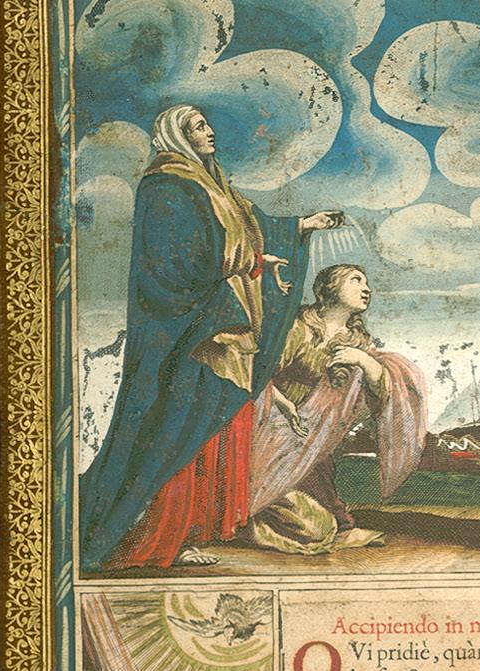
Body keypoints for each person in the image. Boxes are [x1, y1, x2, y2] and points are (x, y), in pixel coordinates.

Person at [81, 103, 345, 569]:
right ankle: (153, 539)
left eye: (206, 125)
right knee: (182, 433)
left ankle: (188, 533)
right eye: (198, 126)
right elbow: (177, 263)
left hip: (223, 332)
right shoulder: (166, 187)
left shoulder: (214, 184)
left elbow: (251, 231)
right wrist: (248, 263)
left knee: (212, 433)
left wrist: (301, 227)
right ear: (178, 136)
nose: (209, 132)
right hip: (192, 336)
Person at [243, 264, 426, 554]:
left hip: (310, 450)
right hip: (267, 440)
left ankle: (333, 523)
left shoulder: (357, 342)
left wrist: (364, 361)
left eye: (366, 282)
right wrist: (283, 404)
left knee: (320, 515)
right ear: (329, 288)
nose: (367, 289)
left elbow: (382, 392)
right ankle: (244, 521)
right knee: (315, 529)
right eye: (356, 281)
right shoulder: (297, 328)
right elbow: (255, 376)